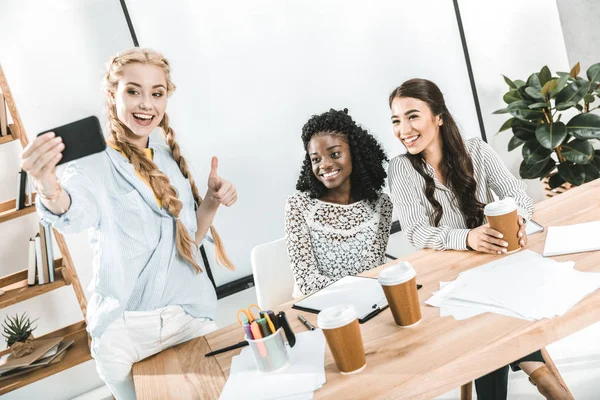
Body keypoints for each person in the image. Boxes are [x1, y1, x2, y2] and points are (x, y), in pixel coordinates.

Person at [21, 48, 237, 400]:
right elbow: (71, 210)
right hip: (126, 335)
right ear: (112, 94)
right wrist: (47, 185)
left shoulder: (166, 159)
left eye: (157, 93)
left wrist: (211, 201)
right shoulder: (91, 166)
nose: (146, 104)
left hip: (188, 318)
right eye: (133, 91)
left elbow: (188, 241)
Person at [387, 78, 572, 400]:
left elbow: (519, 196)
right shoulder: (401, 168)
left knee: (493, 319)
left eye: (413, 116)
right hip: (449, 281)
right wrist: (467, 238)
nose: (404, 129)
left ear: (439, 117)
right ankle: (540, 375)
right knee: (488, 321)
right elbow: (415, 231)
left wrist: (519, 220)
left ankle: (537, 378)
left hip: (501, 266)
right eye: (396, 120)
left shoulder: (476, 150)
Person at [285, 108, 393, 297]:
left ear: (355, 152)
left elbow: (373, 268)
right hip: (318, 305)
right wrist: (355, 290)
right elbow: (306, 281)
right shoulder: (298, 206)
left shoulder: (381, 204)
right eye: (316, 159)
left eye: (334, 154)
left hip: (366, 298)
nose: (324, 165)